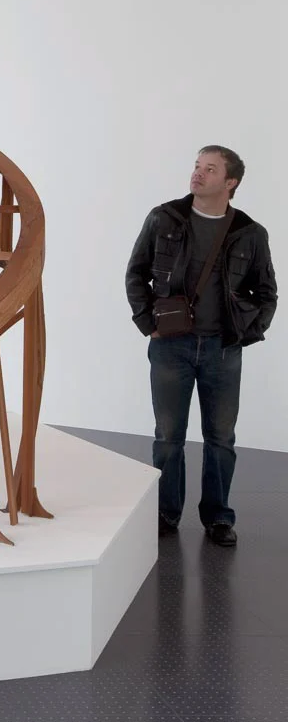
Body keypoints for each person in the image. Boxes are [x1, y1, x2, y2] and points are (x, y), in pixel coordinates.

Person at [126, 145, 277, 547]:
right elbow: (136, 273)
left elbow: (267, 293)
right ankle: (165, 513)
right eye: (197, 166)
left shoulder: (250, 233)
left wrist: (246, 333)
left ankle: (218, 517)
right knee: (168, 437)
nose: (198, 173)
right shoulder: (164, 218)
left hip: (222, 350)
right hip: (170, 346)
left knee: (221, 439)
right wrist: (148, 324)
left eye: (210, 169)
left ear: (231, 182)